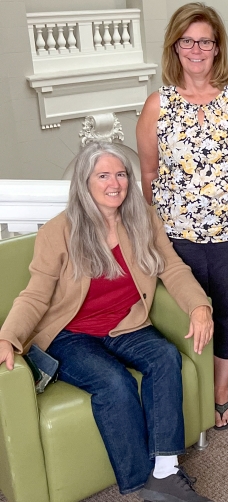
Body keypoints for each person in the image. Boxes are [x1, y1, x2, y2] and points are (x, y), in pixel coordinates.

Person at [0, 142, 214, 502]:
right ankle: (142, 482)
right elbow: (35, 295)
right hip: (71, 334)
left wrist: (198, 306)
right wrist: (8, 336)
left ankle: (165, 472)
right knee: (114, 383)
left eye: (121, 174)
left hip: (128, 323)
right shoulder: (59, 231)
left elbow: (172, 267)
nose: (115, 183)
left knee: (165, 358)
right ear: (85, 183)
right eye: (103, 175)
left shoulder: (143, 218)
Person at [136, 2, 228, 431]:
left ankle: (218, 390)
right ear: (174, 46)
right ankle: (190, 392)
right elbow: (147, 171)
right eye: (187, 41)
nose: (196, 49)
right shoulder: (157, 105)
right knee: (184, 313)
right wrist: (156, 224)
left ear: (217, 48)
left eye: (205, 41)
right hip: (177, 236)